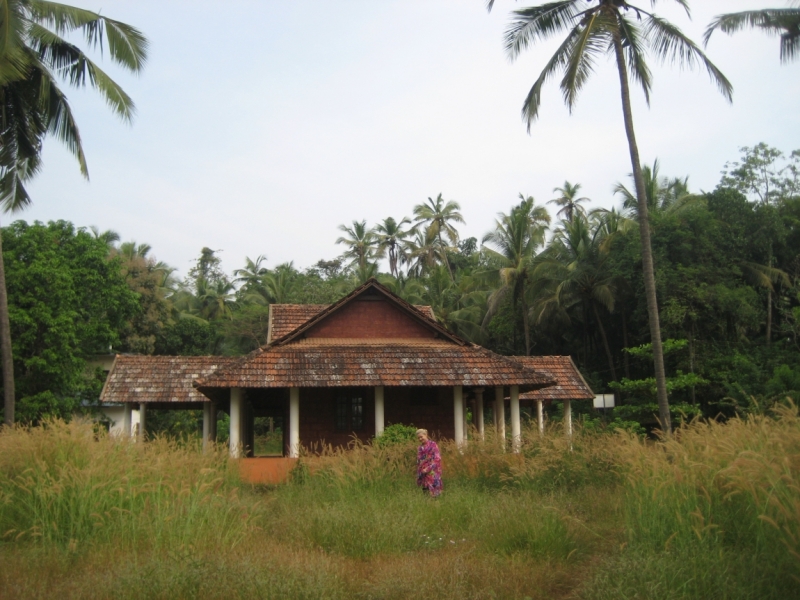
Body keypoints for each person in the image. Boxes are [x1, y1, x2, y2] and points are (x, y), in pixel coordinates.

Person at [416, 428, 442, 497]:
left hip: (433, 472)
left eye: (421, 437)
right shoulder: (420, 448)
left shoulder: (433, 445)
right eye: (418, 438)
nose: (420, 439)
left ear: (426, 435)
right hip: (423, 474)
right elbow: (419, 461)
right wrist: (420, 472)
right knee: (426, 494)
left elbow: (437, 459)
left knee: (434, 494)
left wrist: (427, 469)